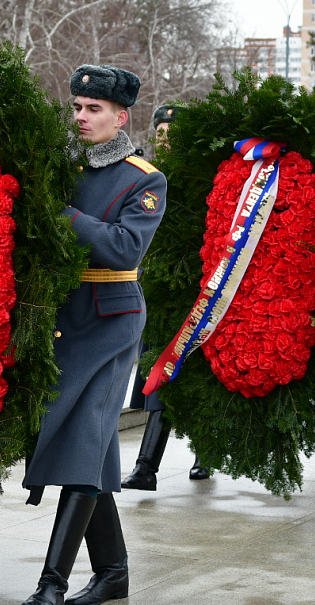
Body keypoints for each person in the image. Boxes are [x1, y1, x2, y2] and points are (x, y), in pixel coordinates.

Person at [18, 64, 165, 605]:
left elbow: (125, 248)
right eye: (76, 107)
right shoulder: (61, 167)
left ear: (120, 117)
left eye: (93, 109)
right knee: (93, 447)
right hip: (62, 316)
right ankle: (113, 572)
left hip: (111, 320)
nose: (80, 117)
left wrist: (62, 214)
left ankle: (50, 583)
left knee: (83, 439)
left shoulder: (144, 178)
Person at [122, 103, 209, 492]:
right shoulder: (145, 175)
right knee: (161, 372)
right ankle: (146, 467)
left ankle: (204, 453)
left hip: (197, 290)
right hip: (155, 288)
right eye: (160, 132)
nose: (165, 138)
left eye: (173, 132)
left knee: (196, 375)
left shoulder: (202, 177)